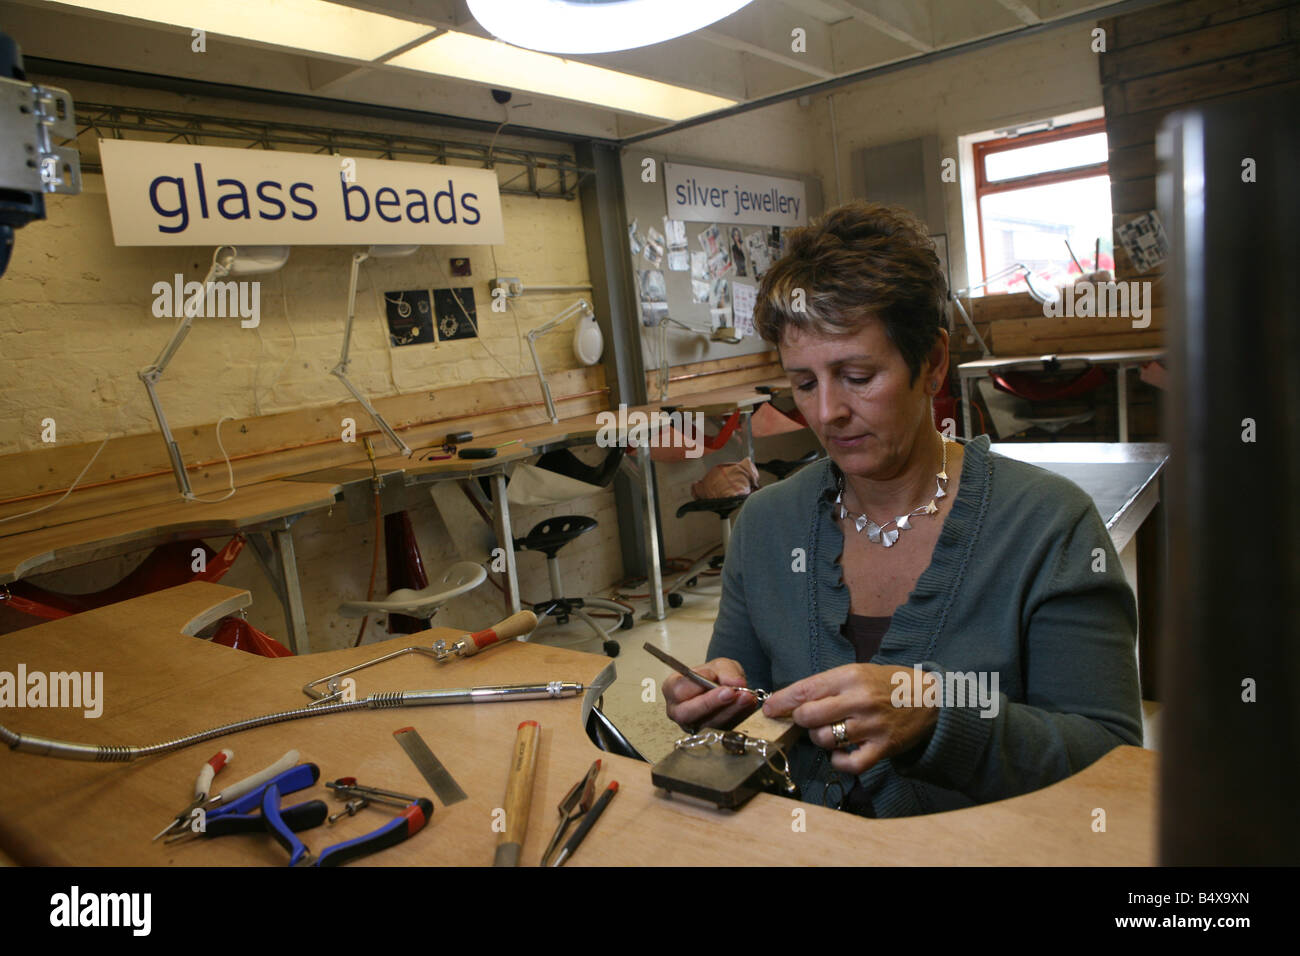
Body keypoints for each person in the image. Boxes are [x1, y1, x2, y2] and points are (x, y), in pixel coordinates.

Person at [663, 201, 1143, 816]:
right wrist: (713, 702)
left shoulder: (1049, 527)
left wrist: (939, 718)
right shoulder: (767, 525)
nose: (828, 412)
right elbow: (748, 712)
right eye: (804, 384)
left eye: (858, 375)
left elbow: (1109, 759)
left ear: (933, 363)